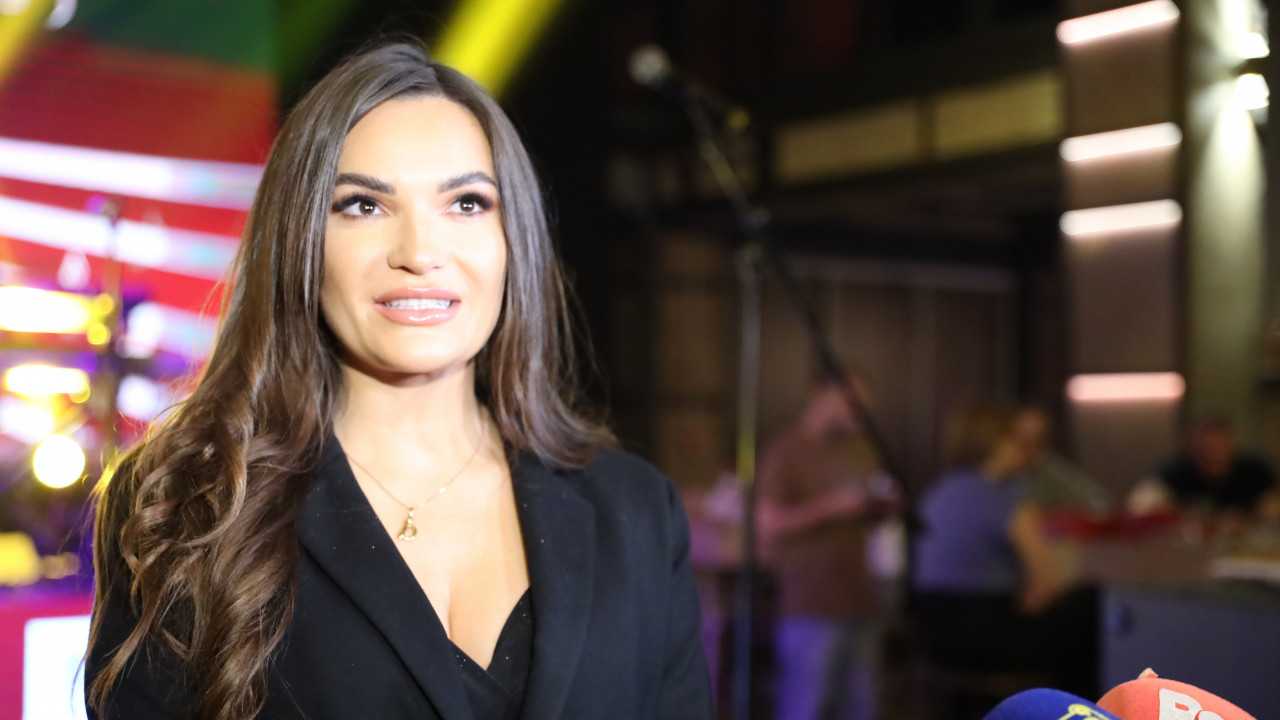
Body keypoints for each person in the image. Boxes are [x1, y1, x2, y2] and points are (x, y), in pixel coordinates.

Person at [85, 43, 712, 720]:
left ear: (514, 241)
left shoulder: (636, 513)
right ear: (301, 241)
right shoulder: (189, 506)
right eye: (363, 206)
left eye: (467, 203)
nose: (419, 253)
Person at [913, 403, 1096, 707]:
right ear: (997, 444)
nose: (1025, 450)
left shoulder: (937, 492)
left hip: (936, 640)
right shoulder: (1007, 500)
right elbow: (1047, 584)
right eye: (1016, 440)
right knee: (1089, 604)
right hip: (990, 641)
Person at [757, 373, 897, 720]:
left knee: (861, 708)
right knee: (806, 707)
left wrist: (879, 508)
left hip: (861, 601)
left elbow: (862, 511)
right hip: (810, 606)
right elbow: (768, 525)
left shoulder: (860, 449)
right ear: (822, 396)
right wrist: (829, 507)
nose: (861, 412)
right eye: (853, 402)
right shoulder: (786, 450)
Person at [1154, 415, 1279, 517]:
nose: (1212, 450)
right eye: (1205, 444)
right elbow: (1152, 502)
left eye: (1219, 442)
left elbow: (1273, 504)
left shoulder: (1254, 470)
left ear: (1232, 441)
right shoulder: (1176, 472)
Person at [1013, 406, 1112, 513]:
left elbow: (1099, 502)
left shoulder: (1051, 469)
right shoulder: (1003, 472)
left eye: (1037, 442)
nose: (1028, 449)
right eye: (1023, 440)